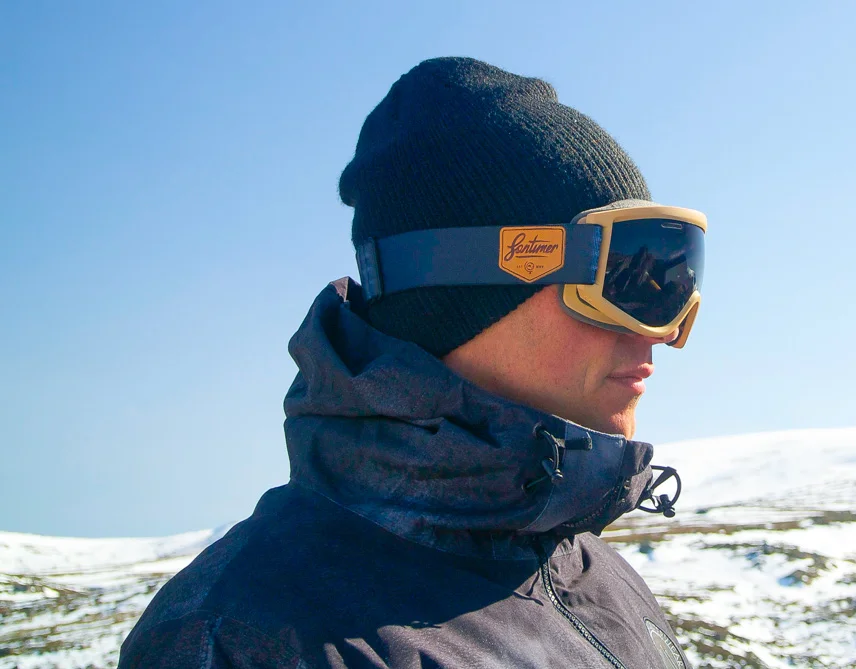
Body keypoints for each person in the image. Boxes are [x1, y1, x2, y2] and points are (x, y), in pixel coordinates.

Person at [119, 56, 706, 669]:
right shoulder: (246, 639)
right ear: (466, 289)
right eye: (624, 272)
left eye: (676, 274)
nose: (664, 332)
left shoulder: (598, 575)